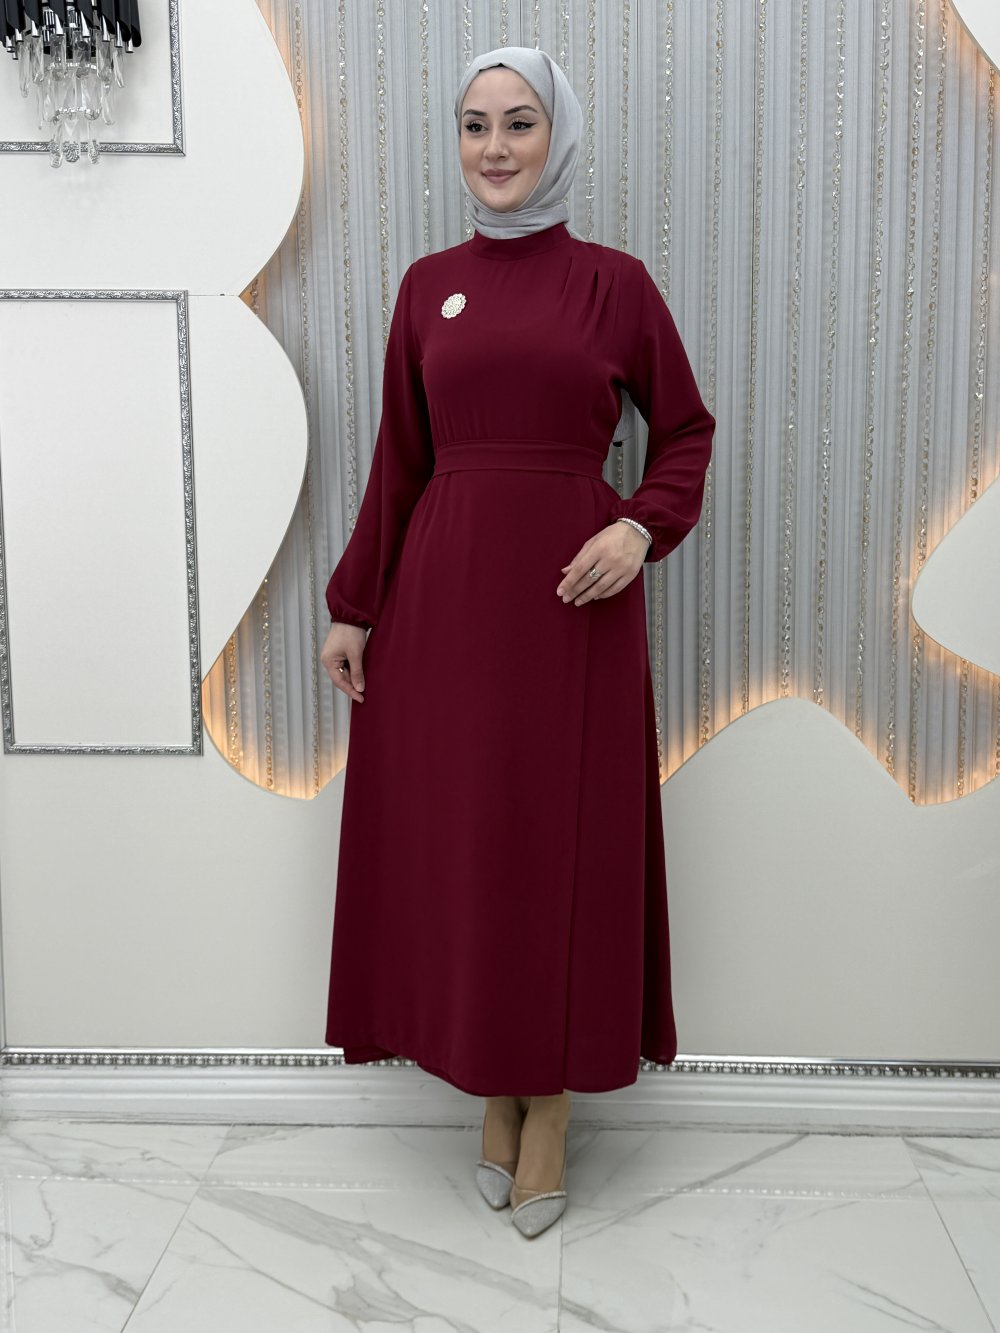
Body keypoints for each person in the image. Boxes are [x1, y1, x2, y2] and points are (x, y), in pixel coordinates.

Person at [320, 45, 715, 1239]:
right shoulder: (426, 286)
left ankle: (547, 1104)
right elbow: (399, 460)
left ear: (559, 136)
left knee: (557, 848)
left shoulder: (614, 286)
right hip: (444, 605)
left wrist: (640, 527)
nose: (493, 148)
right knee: (473, 847)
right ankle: (498, 1085)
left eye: (519, 123)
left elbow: (685, 432)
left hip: (570, 606)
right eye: (474, 125)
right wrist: (354, 603)